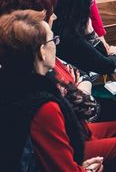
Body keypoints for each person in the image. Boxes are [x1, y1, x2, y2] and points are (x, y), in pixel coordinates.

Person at [0, 10, 105, 172]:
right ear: (42, 51)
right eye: (53, 40)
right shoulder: (42, 105)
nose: (55, 44)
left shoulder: (13, 85)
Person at [53, 0, 116, 75]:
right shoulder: (71, 38)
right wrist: (114, 54)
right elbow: (106, 66)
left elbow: (102, 57)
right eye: (90, 2)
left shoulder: (58, 28)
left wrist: (90, 34)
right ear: (82, 7)